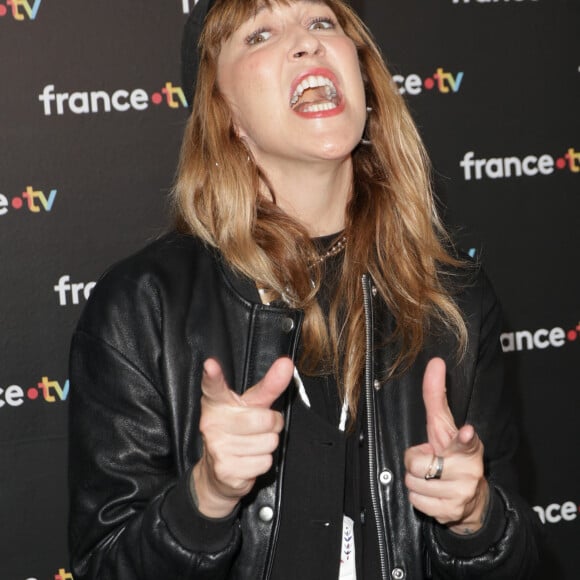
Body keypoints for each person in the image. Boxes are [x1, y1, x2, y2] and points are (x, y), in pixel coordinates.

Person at [68, 0, 540, 578]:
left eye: (323, 23)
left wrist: (475, 519)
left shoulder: (454, 298)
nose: (308, 42)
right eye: (260, 33)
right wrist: (206, 498)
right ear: (227, 117)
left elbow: (518, 561)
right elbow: (103, 565)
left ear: (363, 78)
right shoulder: (141, 306)